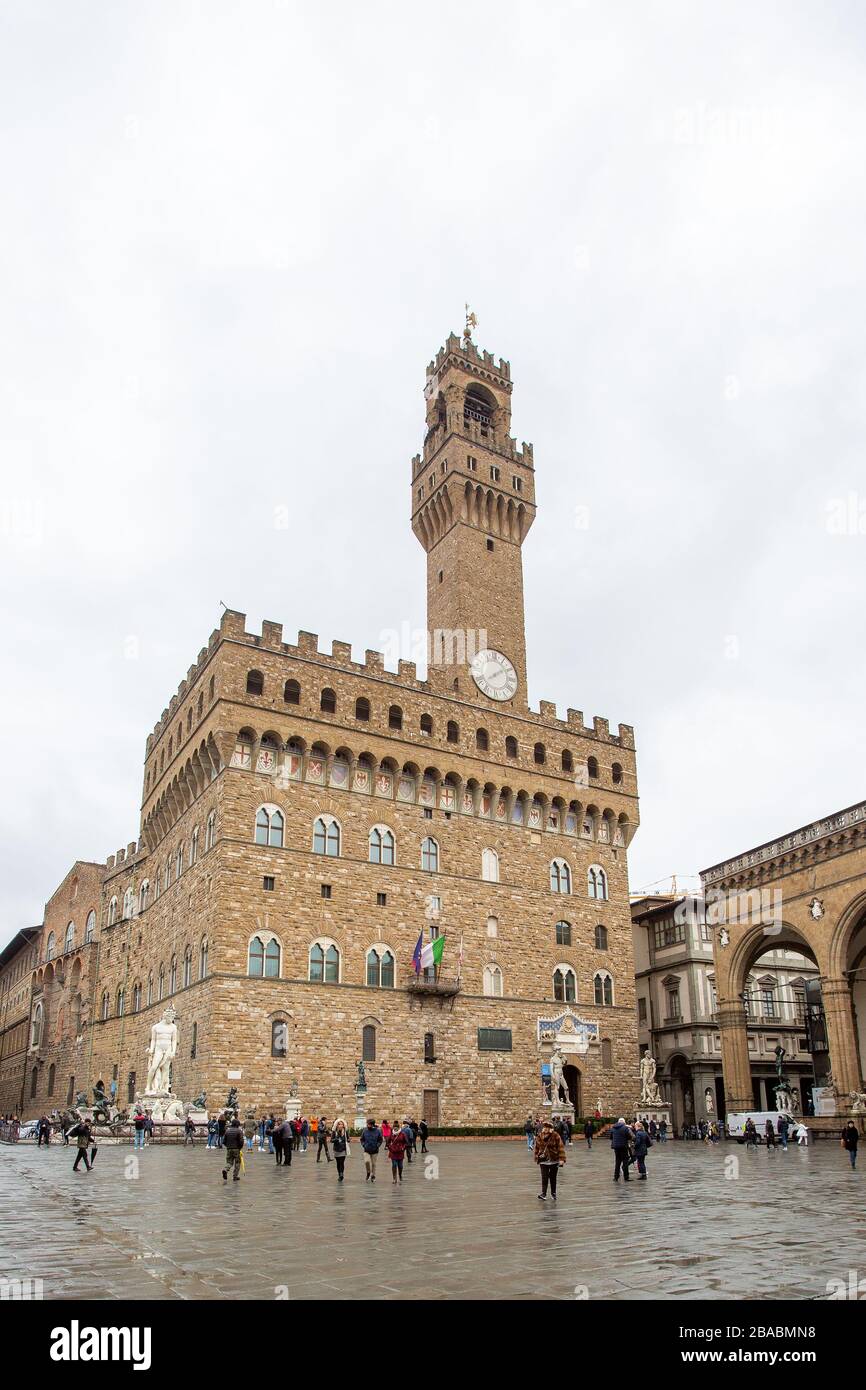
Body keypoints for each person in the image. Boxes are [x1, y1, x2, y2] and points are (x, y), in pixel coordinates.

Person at [534, 1118, 566, 1200]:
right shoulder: (540, 1135)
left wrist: (562, 1159)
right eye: (545, 1127)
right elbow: (537, 1147)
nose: (546, 1129)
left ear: (551, 1128)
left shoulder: (555, 1135)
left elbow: (560, 1147)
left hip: (554, 1159)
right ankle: (543, 1194)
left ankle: (553, 1193)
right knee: (544, 1177)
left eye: (548, 1127)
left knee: (553, 1178)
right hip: (543, 1160)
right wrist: (536, 1156)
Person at [361, 1117, 383, 1182]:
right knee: (367, 1161)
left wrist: (377, 1145)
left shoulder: (377, 1131)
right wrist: (364, 1145)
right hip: (366, 1150)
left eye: (369, 1124)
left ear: (372, 1124)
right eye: (367, 1124)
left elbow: (380, 1139)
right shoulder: (365, 1130)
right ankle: (368, 1172)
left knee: (373, 1164)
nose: (368, 1125)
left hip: (375, 1150)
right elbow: (362, 1139)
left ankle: (373, 1175)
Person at [222, 1115, 244, 1182]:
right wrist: (240, 1148)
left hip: (229, 1149)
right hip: (236, 1149)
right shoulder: (239, 1131)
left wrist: (228, 1146)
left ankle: (225, 1169)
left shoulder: (227, 1131)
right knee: (237, 1163)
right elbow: (241, 1141)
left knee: (229, 1162)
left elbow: (224, 1141)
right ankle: (235, 1176)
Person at [610, 1116, 631, 1182]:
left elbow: (611, 1137)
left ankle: (616, 1177)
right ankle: (626, 1177)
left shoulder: (613, 1128)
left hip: (616, 1147)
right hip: (623, 1146)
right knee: (625, 1162)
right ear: (624, 1122)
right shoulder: (625, 1128)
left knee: (617, 1162)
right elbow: (629, 1137)